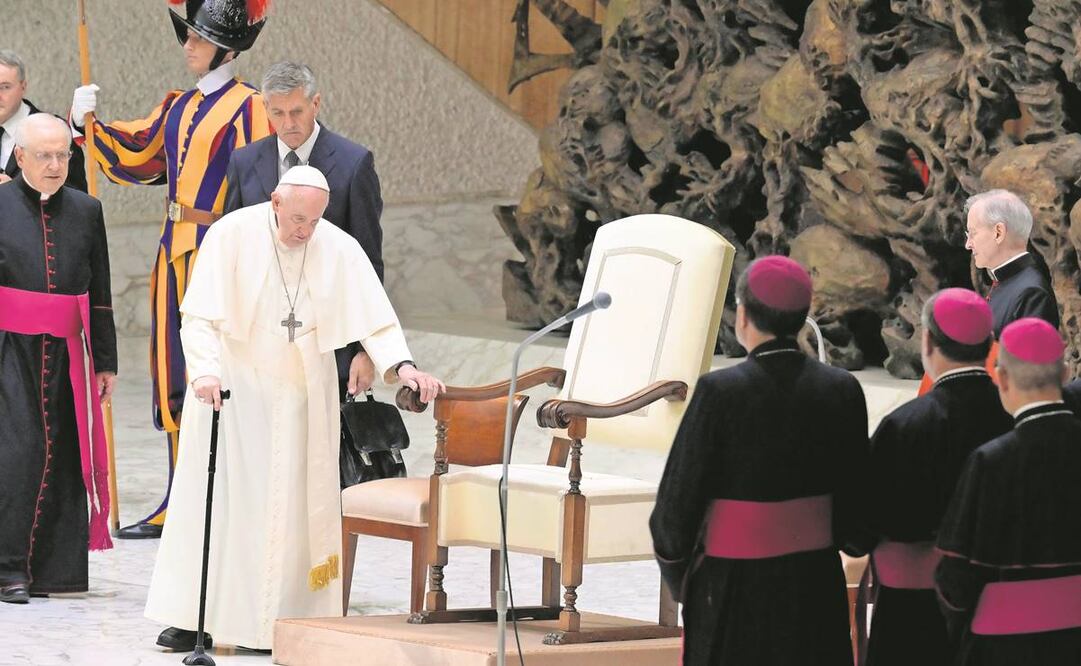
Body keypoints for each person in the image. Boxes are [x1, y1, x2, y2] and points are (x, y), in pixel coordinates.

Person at [144, 166, 445, 652]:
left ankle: (283, 618)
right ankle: (198, 616)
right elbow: (198, 315)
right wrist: (203, 371)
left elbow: (376, 316)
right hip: (234, 384)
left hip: (305, 389)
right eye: (297, 219)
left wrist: (403, 367)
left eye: (314, 222)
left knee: (292, 507)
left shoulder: (337, 245)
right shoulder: (231, 233)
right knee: (224, 502)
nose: (304, 231)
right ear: (275, 202)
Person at [69, 0, 272, 539]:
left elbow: (256, 189)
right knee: (173, 374)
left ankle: (219, 497)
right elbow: (138, 157)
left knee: (218, 372)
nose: (188, 45)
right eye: (187, 35)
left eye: (198, 38)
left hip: (220, 253)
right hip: (172, 251)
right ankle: (179, 498)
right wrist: (85, 125)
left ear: (227, 47)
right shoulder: (179, 106)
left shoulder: (250, 107)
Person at [650, 256, 869, 666]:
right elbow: (857, 504)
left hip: (732, 587)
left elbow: (675, 506)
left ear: (743, 315)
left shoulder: (720, 391)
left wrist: (684, 580)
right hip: (813, 581)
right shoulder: (841, 388)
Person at [222, 61, 388, 482]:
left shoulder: (353, 163)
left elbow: (368, 264)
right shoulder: (245, 162)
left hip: (327, 342)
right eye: (276, 113)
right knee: (264, 463)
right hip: (260, 342)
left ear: (316, 103)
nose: (287, 123)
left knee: (320, 467)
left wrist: (365, 351)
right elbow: (233, 255)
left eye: (296, 111)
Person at [0, 114, 117, 604]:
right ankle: (8, 568)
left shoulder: (87, 210)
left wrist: (105, 362)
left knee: (64, 455)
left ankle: (53, 571)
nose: (54, 165)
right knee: (18, 452)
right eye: (44, 155)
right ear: (20, 156)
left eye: (63, 155)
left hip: (69, 353)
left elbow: (102, 293)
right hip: (9, 349)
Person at [864, 289, 1012, 666]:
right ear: (991, 344)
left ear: (927, 341)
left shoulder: (905, 424)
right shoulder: (1015, 417)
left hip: (914, 604)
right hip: (998, 602)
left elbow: (867, 520)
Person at [936, 318, 1081, 665]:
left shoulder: (990, 460)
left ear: (1001, 378)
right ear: (1064, 375)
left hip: (1004, 644)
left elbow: (955, 578)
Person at [964, 189, 1058, 336]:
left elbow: (1029, 358)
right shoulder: (1008, 282)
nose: (968, 244)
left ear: (998, 233)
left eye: (972, 233)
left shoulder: (1031, 293)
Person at [0, 50, 86, 191]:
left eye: (5, 87)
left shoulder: (56, 131)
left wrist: (16, 195)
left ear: (23, 87)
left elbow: (76, 204)